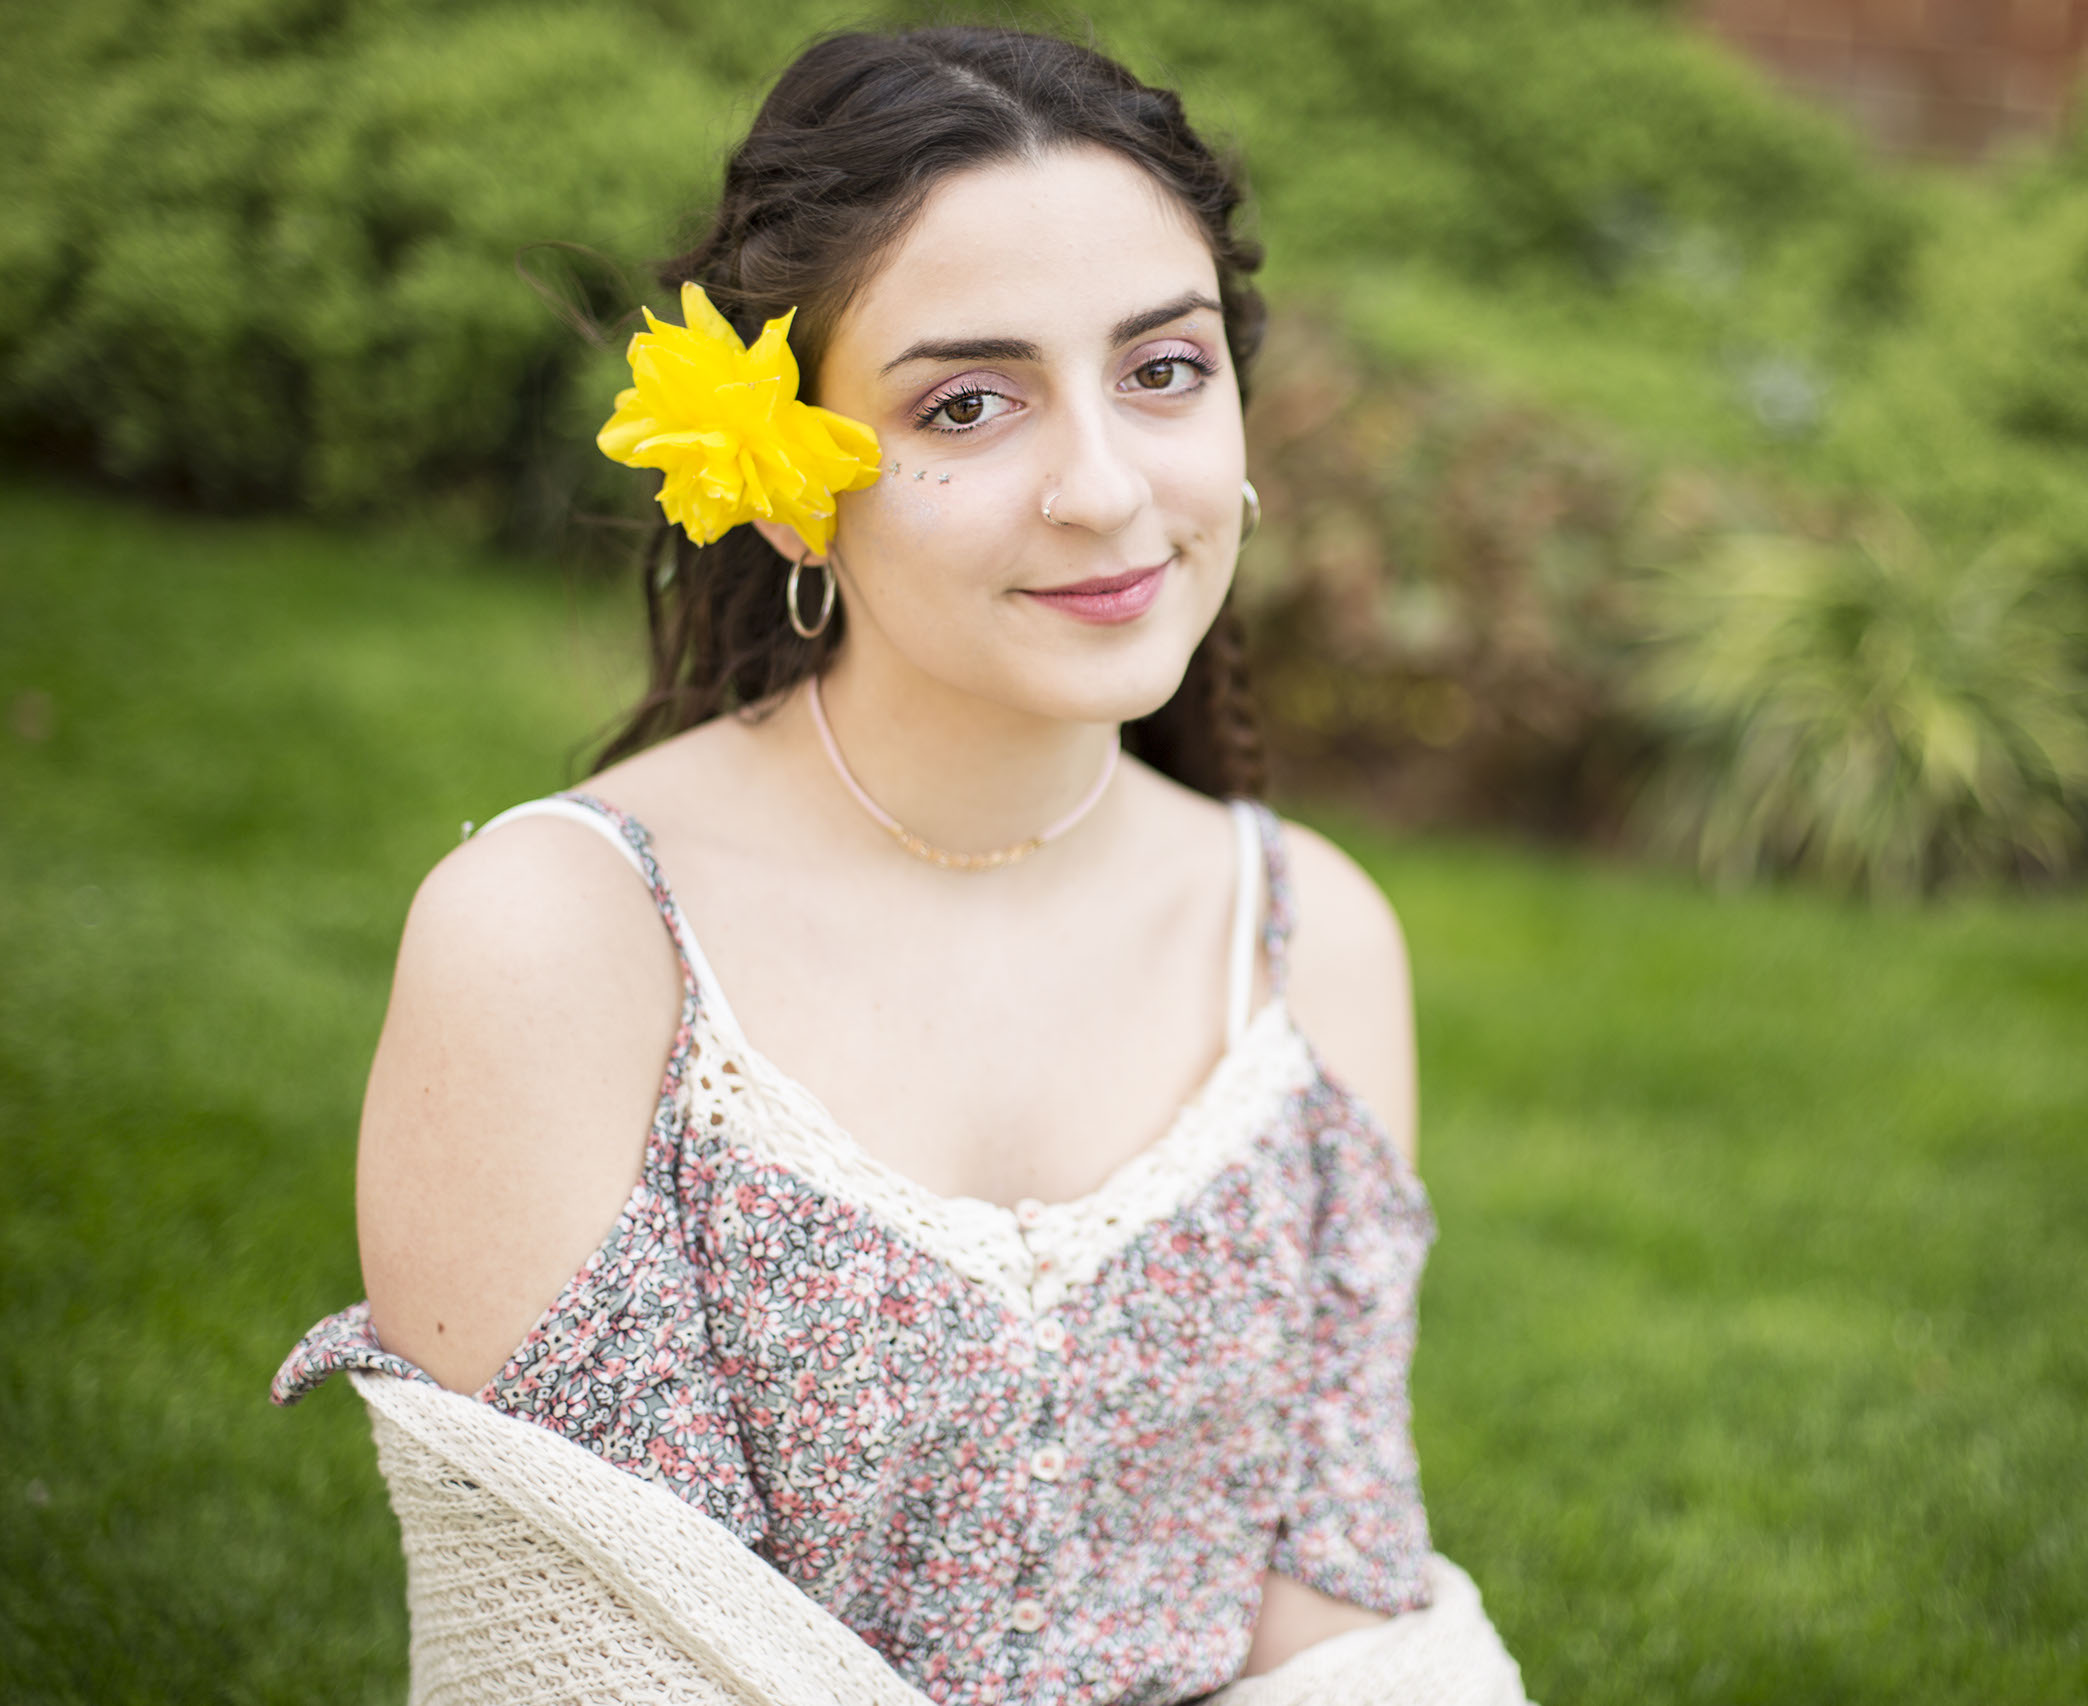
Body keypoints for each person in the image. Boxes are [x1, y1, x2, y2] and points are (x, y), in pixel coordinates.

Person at [273, 24, 1525, 1705]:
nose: (1105, 489)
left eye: (1163, 369)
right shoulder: (563, 941)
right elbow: (615, 1658)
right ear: (785, 485)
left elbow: (1347, 1623)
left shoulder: (1307, 940)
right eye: (968, 402)